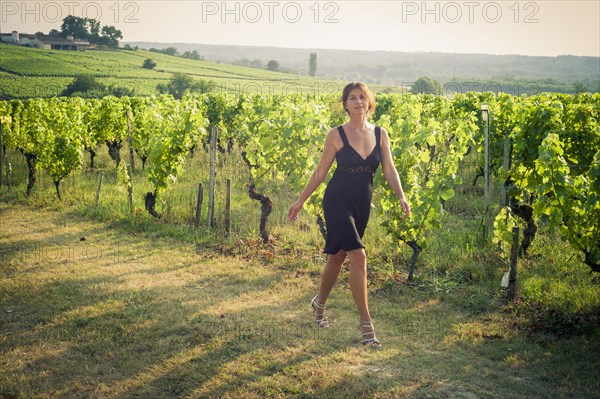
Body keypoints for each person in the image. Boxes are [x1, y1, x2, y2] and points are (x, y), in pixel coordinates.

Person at [287, 82, 411, 347]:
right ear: (345, 104)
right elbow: (320, 172)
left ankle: (318, 305)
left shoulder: (380, 134)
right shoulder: (336, 135)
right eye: (352, 98)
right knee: (359, 256)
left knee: (338, 256)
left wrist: (401, 195)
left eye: (362, 97)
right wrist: (300, 201)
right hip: (337, 200)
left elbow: (389, 169)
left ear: (369, 103)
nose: (358, 102)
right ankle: (367, 327)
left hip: (361, 203)